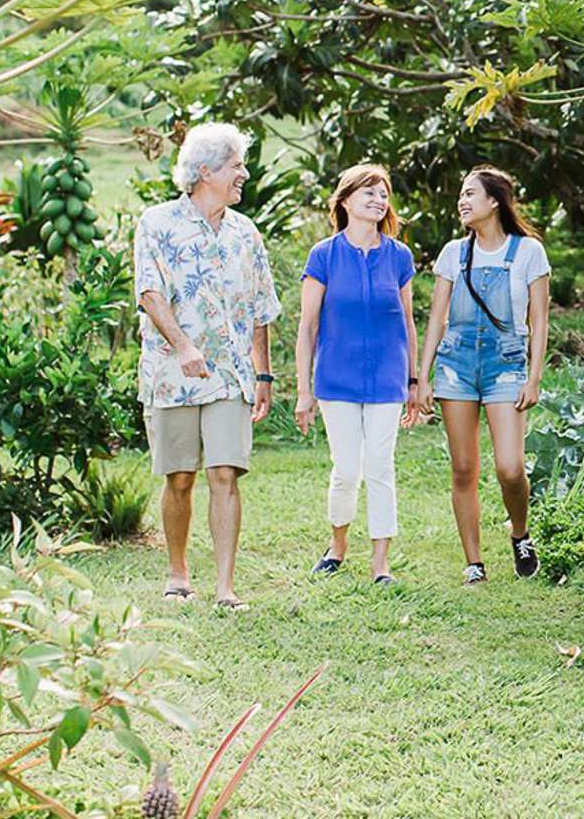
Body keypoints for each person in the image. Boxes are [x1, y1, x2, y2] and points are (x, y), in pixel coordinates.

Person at [134, 122, 281, 611]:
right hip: (172, 374)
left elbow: (261, 308)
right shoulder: (156, 223)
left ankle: (225, 587)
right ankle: (178, 575)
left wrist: (262, 374)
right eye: (235, 166)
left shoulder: (245, 232)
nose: (243, 174)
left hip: (231, 376)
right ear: (204, 172)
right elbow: (150, 294)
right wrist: (182, 347)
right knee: (180, 477)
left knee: (225, 474)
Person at [415, 167, 551, 585]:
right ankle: (474, 562)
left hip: (506, 365)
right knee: (463, 468)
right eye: (461, 193)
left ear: (495, 201)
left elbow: (540, 320)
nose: (462, 200)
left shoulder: (528, 252)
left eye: (470, 193)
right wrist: (424, 376)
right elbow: (437, 318)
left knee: (510, 467)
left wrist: (534, 377)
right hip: (457, 367)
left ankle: (520, 533)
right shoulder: (453, 252)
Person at [294, 164, 421, 585]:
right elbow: (308, 326)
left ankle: (381, 564)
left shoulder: (399, 256)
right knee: (347, 468)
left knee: (381, 466)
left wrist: (415, 379)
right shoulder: (324, 255)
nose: (378, 200)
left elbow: (407, 321)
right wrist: (303, 392)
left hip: (387, 378)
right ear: (345, 201)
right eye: (368, 192)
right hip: (337, 379)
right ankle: (337, 545)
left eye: (383, 194)